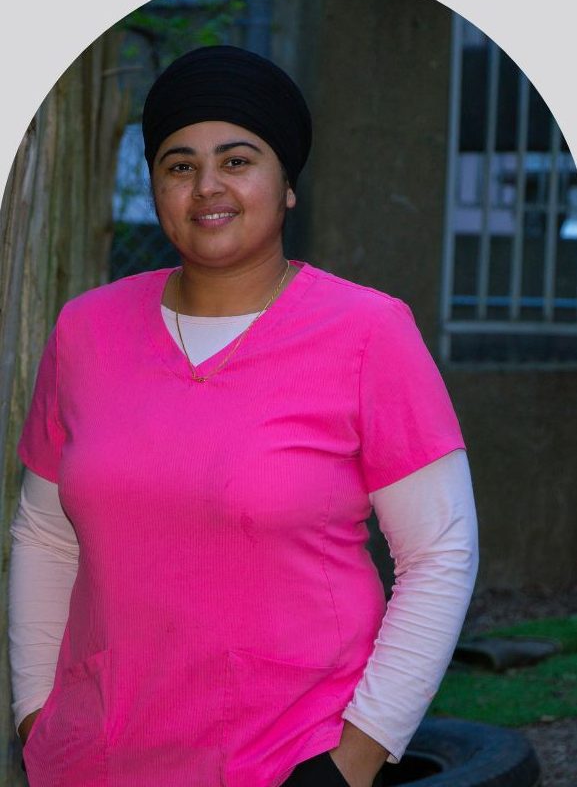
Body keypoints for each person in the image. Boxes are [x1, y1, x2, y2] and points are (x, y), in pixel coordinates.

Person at [9, 45, 478, 787]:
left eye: (236, 160)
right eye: (179, 165)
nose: (206, 187)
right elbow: (43, 534)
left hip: (289, 759)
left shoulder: (368, 332)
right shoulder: (85, 331)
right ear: (156, 186)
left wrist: (356, 757)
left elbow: (439, 553)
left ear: (286, 184)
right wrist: (36, 715)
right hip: (94, 759)